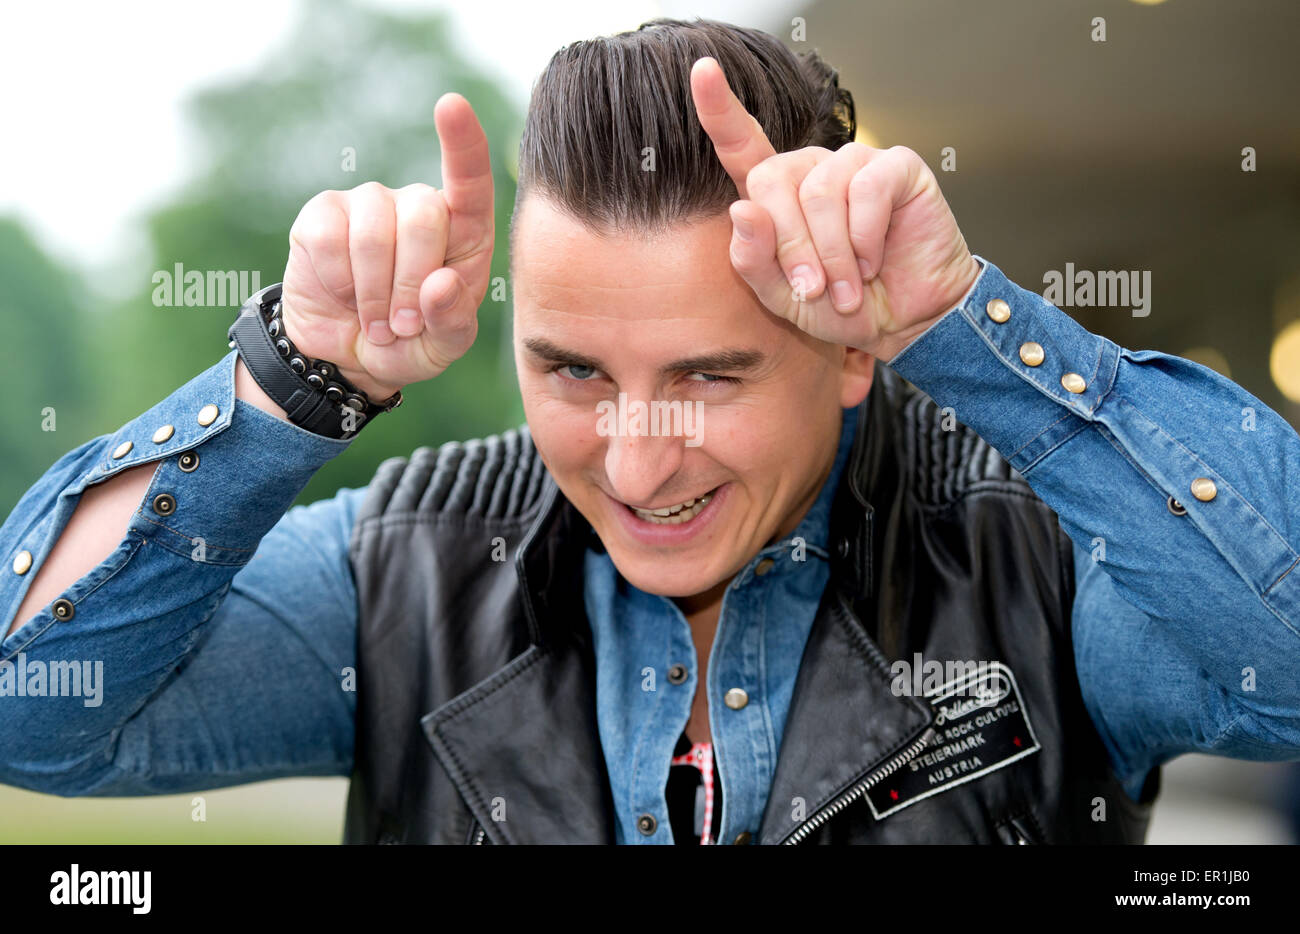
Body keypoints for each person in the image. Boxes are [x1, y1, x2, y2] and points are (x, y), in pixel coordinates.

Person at [2, 18, 1298, 845]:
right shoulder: (406, 570)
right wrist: (287, 382)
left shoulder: (1045, 566)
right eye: (570, 369)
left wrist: (973, 323)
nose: (634, 463)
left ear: (855, 344)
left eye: (709, 377)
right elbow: (28, 710)